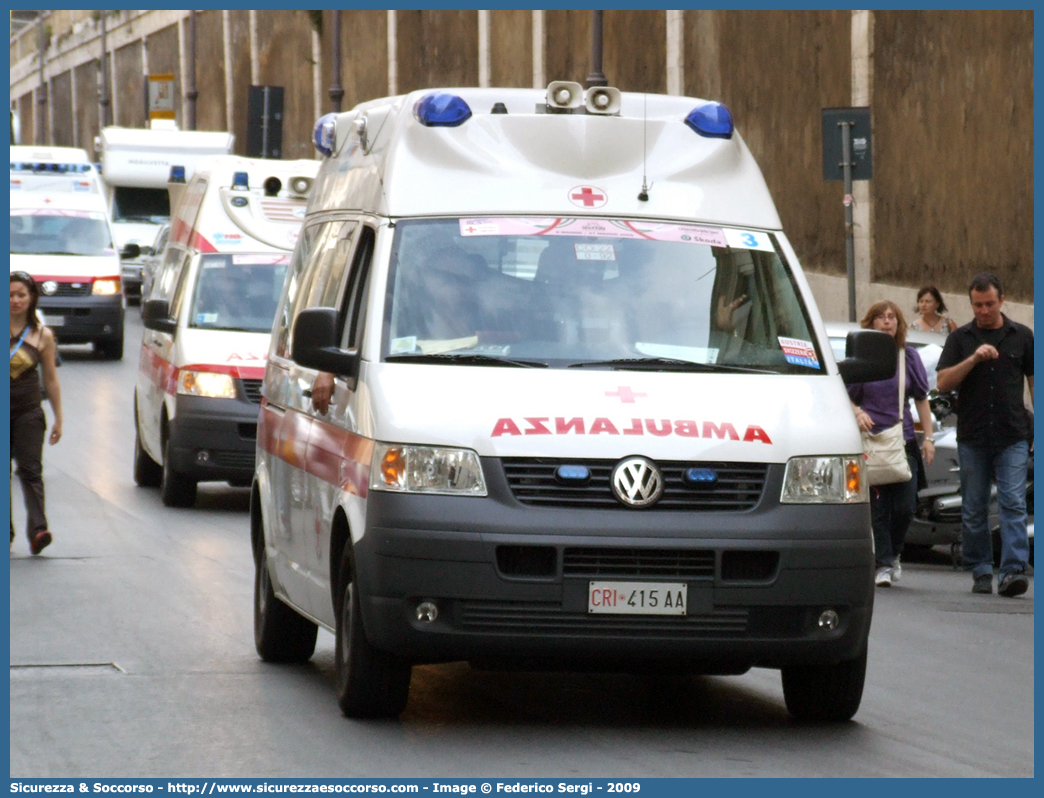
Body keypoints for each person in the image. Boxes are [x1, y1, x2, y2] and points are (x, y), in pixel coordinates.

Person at [937, 273, 1033, 597]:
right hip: (973, 437)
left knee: (1013, 503)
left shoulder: (1022, 336)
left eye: (989, 304)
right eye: (977, 305)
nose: (983, 311)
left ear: (1002, 300)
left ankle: (1012, 571)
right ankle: (980, 570)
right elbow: (943, 383)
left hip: (1012, 435)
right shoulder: (960, 339)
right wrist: (974, 358)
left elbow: (1033, 383)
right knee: (974, 507)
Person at [847, 300, 935, 587]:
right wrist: (858, 412)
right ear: (871, 323)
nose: (887, 322)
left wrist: (929, 439)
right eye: (881, 318)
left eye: (892, 317)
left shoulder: (907, 357)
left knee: (906, 506)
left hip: (903, 440)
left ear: (898, 324)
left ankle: (894, 553)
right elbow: (845, 394)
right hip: (871, 442)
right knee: (878, 508)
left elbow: (921, 398)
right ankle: (883, 564)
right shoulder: (863, 360)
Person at [10, 272, 63, 555]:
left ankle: (38, 529)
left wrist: (58, 418)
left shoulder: (43, 335)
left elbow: (51, 380)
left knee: (31, 470)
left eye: (21, 295)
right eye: (10, 295)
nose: (16, 300)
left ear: (31, 299)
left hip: (28, 411)